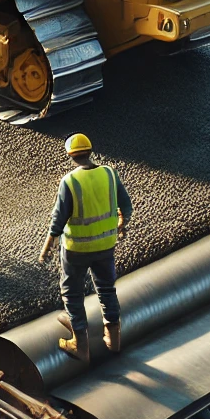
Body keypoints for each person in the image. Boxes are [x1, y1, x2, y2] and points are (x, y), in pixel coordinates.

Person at [39, 134, 132, 362]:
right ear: (90, 152)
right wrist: (122, 223)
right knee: (106, 288)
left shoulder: (69, 182)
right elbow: (126, 206)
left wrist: (47, 245)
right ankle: (113, 339)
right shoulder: (109, 174)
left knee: (72, 291)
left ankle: (80, 344)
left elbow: (58, 219)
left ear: (70, 155)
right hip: (105, 244)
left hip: (76, 249)